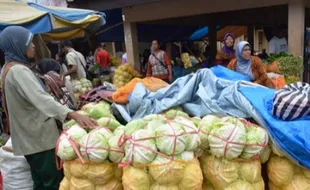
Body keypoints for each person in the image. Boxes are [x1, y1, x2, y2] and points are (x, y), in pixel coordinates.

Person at [0, 26, 96, 190]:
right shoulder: (18, 71)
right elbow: (41, 98)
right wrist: (71, 114)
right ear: (17, 45)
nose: (34, 46)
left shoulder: (7, 68)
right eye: (29, 42)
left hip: (29, 139)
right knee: (52, 182)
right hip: (39, 139)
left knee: (40, 181)